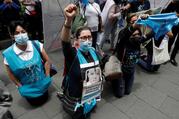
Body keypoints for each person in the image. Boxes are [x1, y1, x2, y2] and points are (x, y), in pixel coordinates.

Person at [59, 4, 103, 119]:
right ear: (77, 40)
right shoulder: (72, 54)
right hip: (76, 97)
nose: (87, 40)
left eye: (89, 37)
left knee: (87, 113)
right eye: (83, 38)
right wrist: (68, 20)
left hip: (90, 94)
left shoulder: (93, 51)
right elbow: (65, 42)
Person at [2, 23, 52, 106]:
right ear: (12, 35)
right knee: (34, 103)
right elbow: (10, 73)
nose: (21, 35)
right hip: (28, 90)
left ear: (26, 32)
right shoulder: (8, 54)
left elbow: (47, 61)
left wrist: (47, 75)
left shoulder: (36, 45)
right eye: (17, 33)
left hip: (43, 84)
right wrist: (19, 86)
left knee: (45, 99)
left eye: (23, 31)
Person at [115, 14, 152, 94]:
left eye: (137, 21)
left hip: (132, 67)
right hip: (122, 68)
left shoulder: (139, 32)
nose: (136, 23)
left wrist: (156, 25)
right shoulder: (123, 33)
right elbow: (125, 35)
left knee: (128, 92)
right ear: (128, 23)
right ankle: (115, 80)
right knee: (120, 94)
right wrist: (135, 25)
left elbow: (144, 38)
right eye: (133, 21)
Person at [162, 0, 179, 66]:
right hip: (175, 24)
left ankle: (172, 58)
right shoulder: (174, 3)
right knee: (171, 40)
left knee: (178, 43)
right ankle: (166, 56)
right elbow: (166, 12)